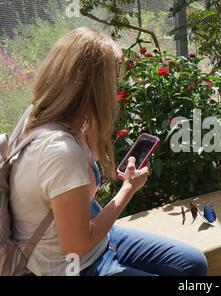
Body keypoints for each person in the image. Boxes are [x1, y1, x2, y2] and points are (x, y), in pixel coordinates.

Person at [9, 27, 208, 276]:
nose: (116, 88)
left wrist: (93, 127)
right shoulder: (61, 152)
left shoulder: (41, 117)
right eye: (112, 80)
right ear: (95, 88)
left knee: (192, 264)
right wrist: (128, 190)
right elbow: (78, 245)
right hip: (74, 266)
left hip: (101, 242)